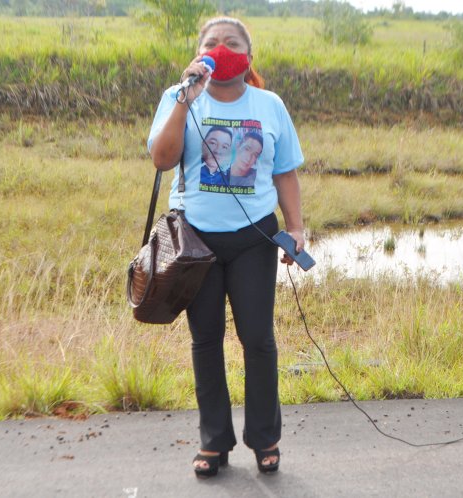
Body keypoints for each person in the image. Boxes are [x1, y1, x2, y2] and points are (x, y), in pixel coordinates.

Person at [147, 16, 306, 478]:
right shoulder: (177, 99)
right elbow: (162, 158)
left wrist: (295, 228)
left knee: (257, 338)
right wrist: (185, 100)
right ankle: (214, 441)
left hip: (254, 238)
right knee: (206, 339)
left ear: (248, 56)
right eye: (211, 43)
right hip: (196, 242)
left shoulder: (269, 105)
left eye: (231, 43)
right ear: (198, 55)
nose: (221, 48)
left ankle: (265, 438)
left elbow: (284, 172)